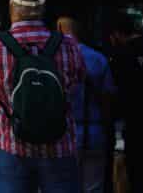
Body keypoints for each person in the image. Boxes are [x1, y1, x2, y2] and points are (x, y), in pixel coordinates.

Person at [0, 0, 85, 192]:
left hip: (11, 144)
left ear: (12, 9)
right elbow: (79, 79)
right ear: (42, 11)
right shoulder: (67, 44)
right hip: (59, 143)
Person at [55, 16, 115, 193]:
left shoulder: (55, 58)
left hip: (63, 134)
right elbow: (109, 95)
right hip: (95, 132)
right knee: (94, 186)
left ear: (59, 30)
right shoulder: (98, 58)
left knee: (64, 185)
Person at [108, 13, 143, 193]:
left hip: (137, 124)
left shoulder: (122, 54)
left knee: (139, 175)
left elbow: (115, 91)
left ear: (116, 34)